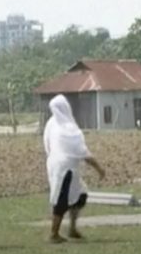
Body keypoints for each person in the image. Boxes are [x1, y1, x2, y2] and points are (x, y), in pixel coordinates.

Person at [43, 95, 105, 243]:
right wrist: (99, 168)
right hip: (65, 169)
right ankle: (54, 234)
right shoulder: (69, 128)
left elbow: (46, 144)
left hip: (58, 165)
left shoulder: (52, 124)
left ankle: (72, 228)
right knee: (61, 200)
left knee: (80, 195)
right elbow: (83, 153)